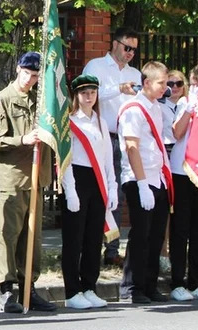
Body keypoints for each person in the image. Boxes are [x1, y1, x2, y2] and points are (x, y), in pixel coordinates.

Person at [0, 52, 54, 313]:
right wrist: (22, 140)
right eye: (27, 73)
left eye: (36, 75)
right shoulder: (2, 99)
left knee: (32, 238)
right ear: (18, 69)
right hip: (13, 178)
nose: (31, 79)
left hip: (36, 178)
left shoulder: (41, 101)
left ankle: (29, 287)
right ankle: (6, 290)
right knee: (9, 235)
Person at [82, 28, 141, 266]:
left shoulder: (135, 73)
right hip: (99, 135)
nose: (130, 54)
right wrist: (118, 88)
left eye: (134, 50)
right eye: (127, 48)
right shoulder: (96, 66)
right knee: (97, 191)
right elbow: (87, 94)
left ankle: (112, 248)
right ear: (115, 44)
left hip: (125, 137)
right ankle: (90, 245)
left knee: (117, 193)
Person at [118, 61, 172, 304]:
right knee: (141, 235)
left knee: (156, 235)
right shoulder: (133, 108)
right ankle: (131, 287)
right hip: (139, 178)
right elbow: (132, 147)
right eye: (161, 83)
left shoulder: (156, 108)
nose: (165, 88)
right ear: (147, 82)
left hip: (157, 177)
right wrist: (141, 184)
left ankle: (149, 284)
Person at [59, 75, 115, 310]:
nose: (88, 96)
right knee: (74, 239)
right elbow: (65, 160)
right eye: (83, 92)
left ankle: (89, 286)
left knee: (93, 238)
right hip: (77, 179)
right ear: (76, 96)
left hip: (98, 179)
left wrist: (111, 187)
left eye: (92, 92)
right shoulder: (70, 122)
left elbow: (108, 158)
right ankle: (72, 291)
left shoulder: (101, 122)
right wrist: (70, 190)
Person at [166, 65, 198, 302]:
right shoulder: (184, 103)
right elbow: (176, 133)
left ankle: (197, 281)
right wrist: (191, 107)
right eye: (197, 84)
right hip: (181, 171)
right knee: (180, 230)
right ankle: (177, 282)